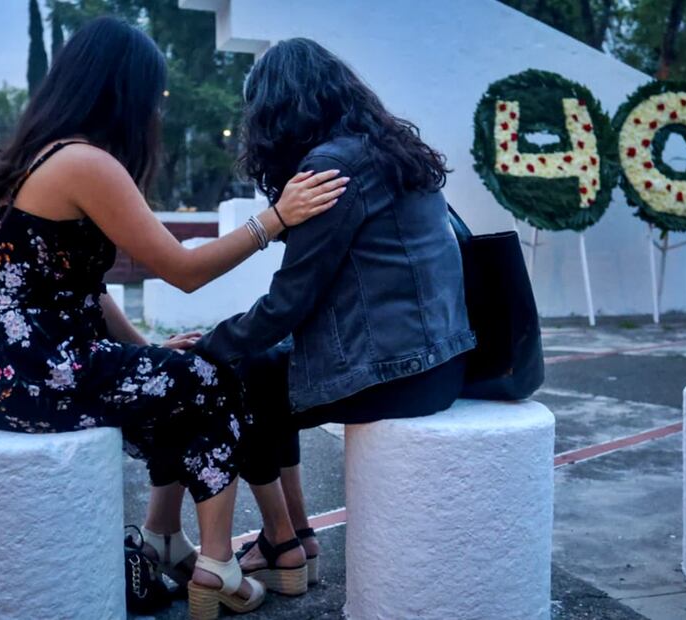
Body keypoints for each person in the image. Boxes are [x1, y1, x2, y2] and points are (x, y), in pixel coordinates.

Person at [0, 19, 345, 620]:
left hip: (6, 372)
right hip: (37, 374)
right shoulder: (84, 162)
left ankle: (167, 537)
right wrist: (276, 217)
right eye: (153, 96)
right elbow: (182, 270)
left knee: (180, 376)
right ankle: (218, 563)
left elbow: (86, 289)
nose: (155, 109)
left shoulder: (42, 156)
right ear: (122, 90)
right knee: (218, 382)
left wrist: (151, 351)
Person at [192, 38, 476, 595]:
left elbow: (290, 300)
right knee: (274, 373)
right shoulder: (389, 151)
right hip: (441, 361)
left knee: (241, 375)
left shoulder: (331, 169)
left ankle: (284, 541)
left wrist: (208, 346)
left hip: (395, 374)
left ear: (280, 108)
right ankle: (293, 540)